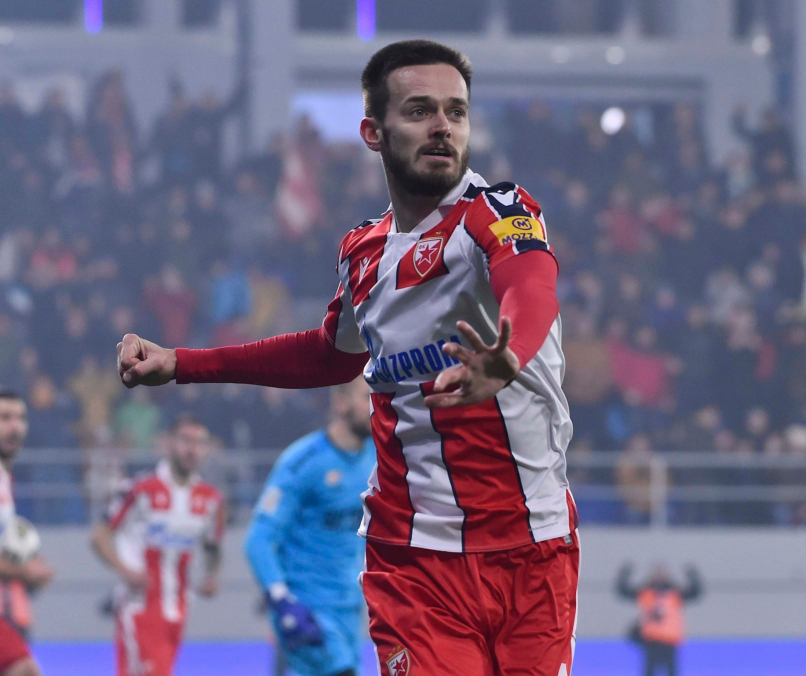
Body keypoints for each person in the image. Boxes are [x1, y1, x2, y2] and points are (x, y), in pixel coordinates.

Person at [116, 39, 578, 675]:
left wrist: (510, 356)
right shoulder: (364, 253)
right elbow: (328, 356)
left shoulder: (500, 211)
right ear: (373, 132)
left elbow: (532, 287)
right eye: (419, 110)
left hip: (533, 547)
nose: (443, 126)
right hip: (413, 557)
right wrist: (184, 363)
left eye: (456, 111)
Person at [245, 377, 376, 676]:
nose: (376, 405)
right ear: (341, 403)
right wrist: (281, 599)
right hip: (308, 610)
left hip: (349, 608)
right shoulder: (303, 461)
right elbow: (259, 539)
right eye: (366, 397)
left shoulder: (377, 457)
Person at [90, 415, 225, 676]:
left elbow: (213, 546)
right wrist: (125, 571)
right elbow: (99, 535)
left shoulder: (210, 499)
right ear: (169, 443)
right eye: (185, 440)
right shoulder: (140, 488)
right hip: (139, 606)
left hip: (179, 609)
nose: (192, 449)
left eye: (199, 443)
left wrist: (211, 575)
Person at [0, 390, 55, 676]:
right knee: (24, 669)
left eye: (20, 418)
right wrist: (23, 571)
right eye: (5, 417)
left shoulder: (5, 478)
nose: (15, 426)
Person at [616, 562, 703, 676]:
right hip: (651, 640)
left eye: (661, 573)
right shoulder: (646, 592)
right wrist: (624, 575)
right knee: (649, 671)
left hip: (670, 641)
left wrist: (693, 576)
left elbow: (695, 593)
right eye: (656, 574)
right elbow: (624, 592)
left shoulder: (674, 593)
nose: (659, 577)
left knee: (671, 671)